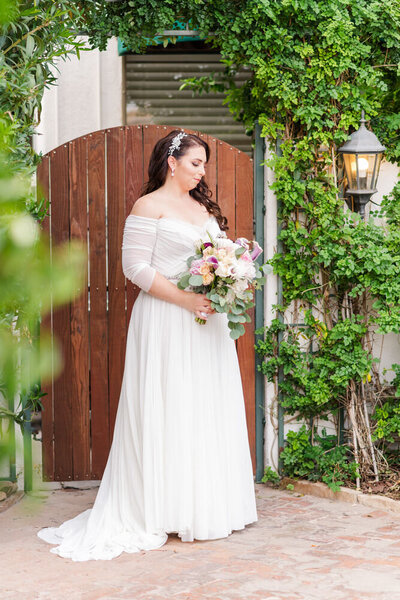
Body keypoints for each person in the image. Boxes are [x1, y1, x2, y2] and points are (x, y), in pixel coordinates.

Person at [37, 129, 258, 561]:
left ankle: (204, 505)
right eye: (196, 163)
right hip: (166, 319)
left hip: (206, 323)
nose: (202, 172)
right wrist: (186, 299)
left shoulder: (200, 206)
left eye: (205, 165)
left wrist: (225, 285)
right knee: (168, 405)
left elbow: (216, 258)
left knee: (203, 407)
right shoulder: (148, 206)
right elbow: (134, 267)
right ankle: (160, 506)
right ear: (172, 162)